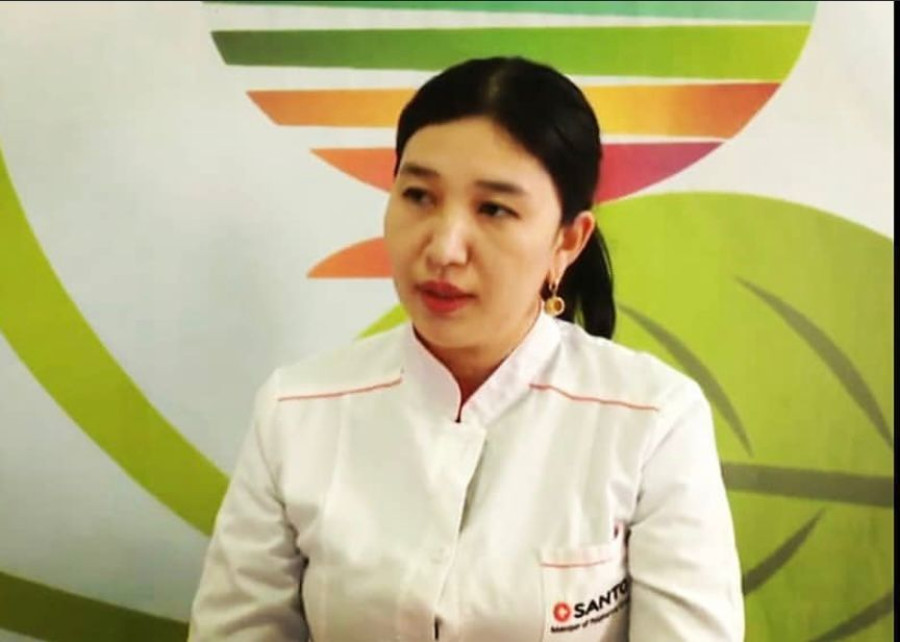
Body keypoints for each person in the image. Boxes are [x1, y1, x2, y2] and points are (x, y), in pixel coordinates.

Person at [189, 56, 744, 641]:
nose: (444, 249)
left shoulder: (653, 419)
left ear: (567, 241)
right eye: (419, 196)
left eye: (494, 209)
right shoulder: (297, 410)